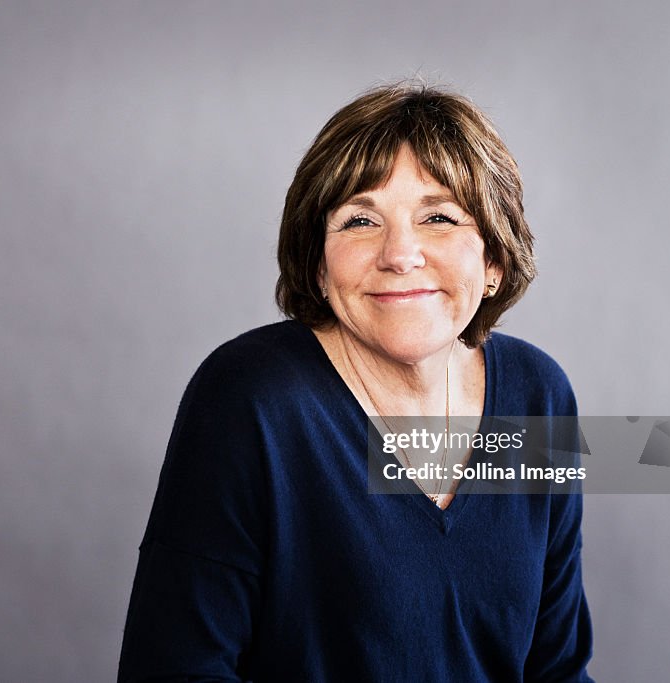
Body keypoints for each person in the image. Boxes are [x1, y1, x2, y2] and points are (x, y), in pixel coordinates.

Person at [118, 83, 594, 682]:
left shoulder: (538, 399)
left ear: (494, 261)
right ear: (319, 265)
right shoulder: (252, 401)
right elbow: (175, 671)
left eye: (439, 217)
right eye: (360, 220)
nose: (400, 253)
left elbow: (557, 671)